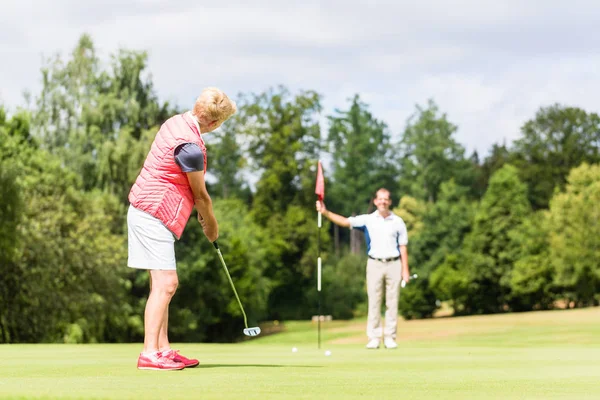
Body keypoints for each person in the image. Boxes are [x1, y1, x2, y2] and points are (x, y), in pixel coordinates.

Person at [127, 87, 237, 370]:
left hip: (146, 210)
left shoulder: (175, 122)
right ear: (214, 123)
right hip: (153, 214)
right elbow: (201, 195)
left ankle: (162, 349)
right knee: (168, 284)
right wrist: (211, 226)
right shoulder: (190, 146)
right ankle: (149, 354)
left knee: (159, 285)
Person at [316, 188, 409, 349]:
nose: (383, 202)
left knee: (392, 302)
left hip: (394, 264)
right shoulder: (368, 219)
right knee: (374, 301)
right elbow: (345, 222)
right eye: (380, 199)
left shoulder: (398, 221)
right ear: (375, 201)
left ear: (390, 201)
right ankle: (374, 337)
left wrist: (405, 270)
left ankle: (390, 337)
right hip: (374, 263)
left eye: (386, 199)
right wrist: (325, 212)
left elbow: (403, 246)